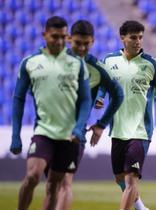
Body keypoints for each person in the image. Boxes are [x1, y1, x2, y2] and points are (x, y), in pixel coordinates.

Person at [9, 16, 91, 210]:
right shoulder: (30, 63)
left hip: (69, 136)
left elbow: (85, 99)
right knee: (32, 176)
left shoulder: (77, 64)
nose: (60, 41)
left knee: (54, 186)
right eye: (55, 37)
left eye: (64, 37)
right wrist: (15, 136)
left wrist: (79, 127)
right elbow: (18, 99)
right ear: (45, 35)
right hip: (44, 132)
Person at [96, 20, 156, 210]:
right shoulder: (109, 61)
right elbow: (102, 84)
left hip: (141, 131)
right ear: (122, 38)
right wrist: (100, 97)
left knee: (131, 179)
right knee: (119, 178)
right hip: (117, 130)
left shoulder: (151, 63)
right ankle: (140, 206)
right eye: (134, 37)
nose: (138, 41)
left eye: (140, 37)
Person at [53, 20, 124, 210]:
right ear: (69, 39)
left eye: (87, 43)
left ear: (92, 41)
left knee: (64, 183)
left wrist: (101, 125)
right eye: (78, 43)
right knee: (51, 185)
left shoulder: (98, 68)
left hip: (75, 135)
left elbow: (118, 95)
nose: (82, 48)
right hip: (50, 132)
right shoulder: (54, 61)